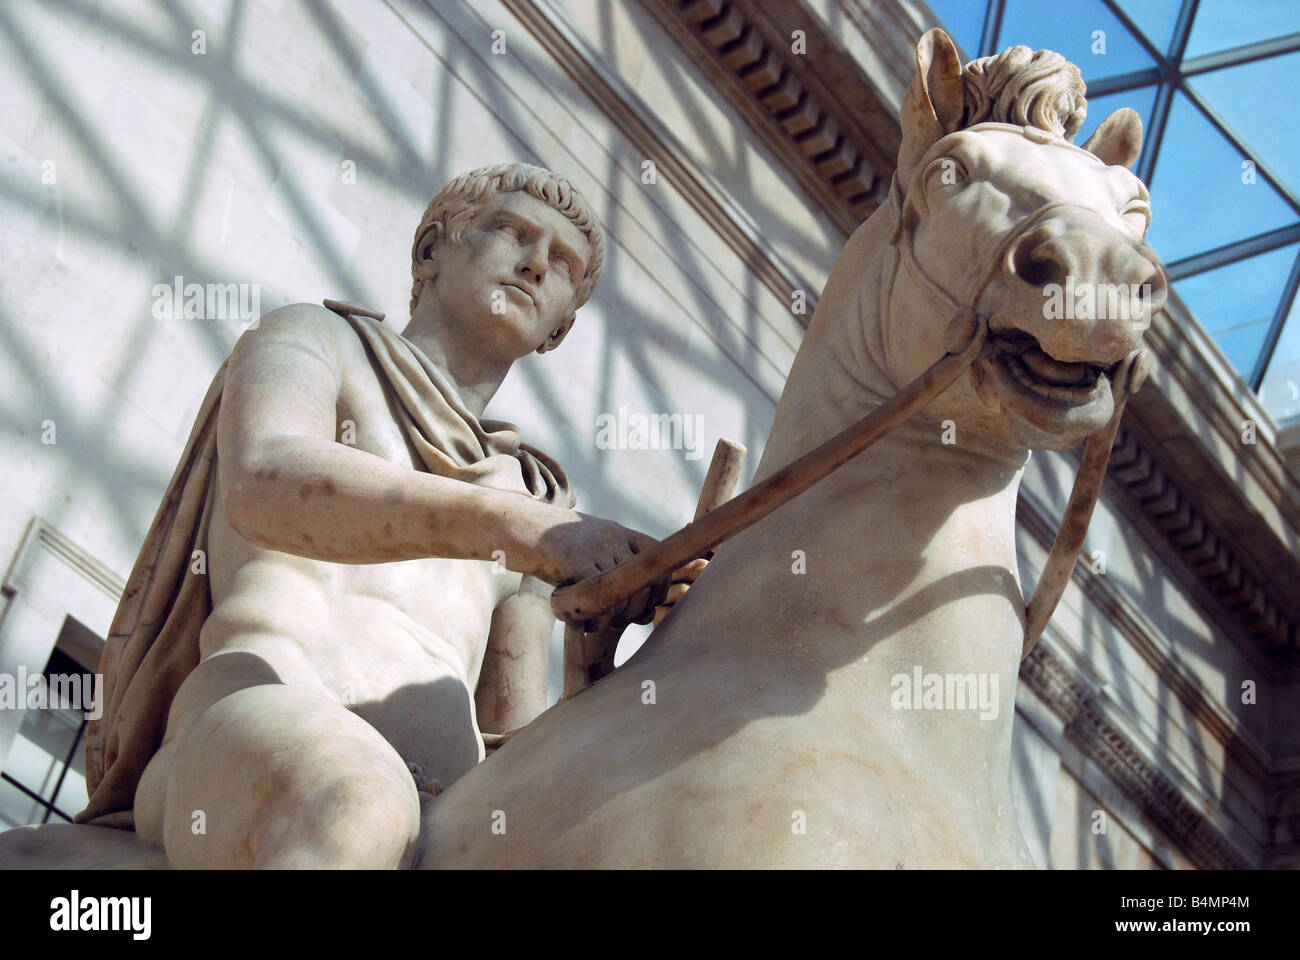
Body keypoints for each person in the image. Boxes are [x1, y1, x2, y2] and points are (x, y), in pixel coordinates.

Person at [79, 163, 665, 867]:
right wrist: (519, 529)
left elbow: (511, 735)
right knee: (356, 804)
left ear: (559, 331)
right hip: (262, 730)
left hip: (443, 802)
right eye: (513, 231)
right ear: (430, 251)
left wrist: (594, 661)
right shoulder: (317, 341)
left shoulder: (537, 496)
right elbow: (265, 479)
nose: (537, 264)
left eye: (564, 264)